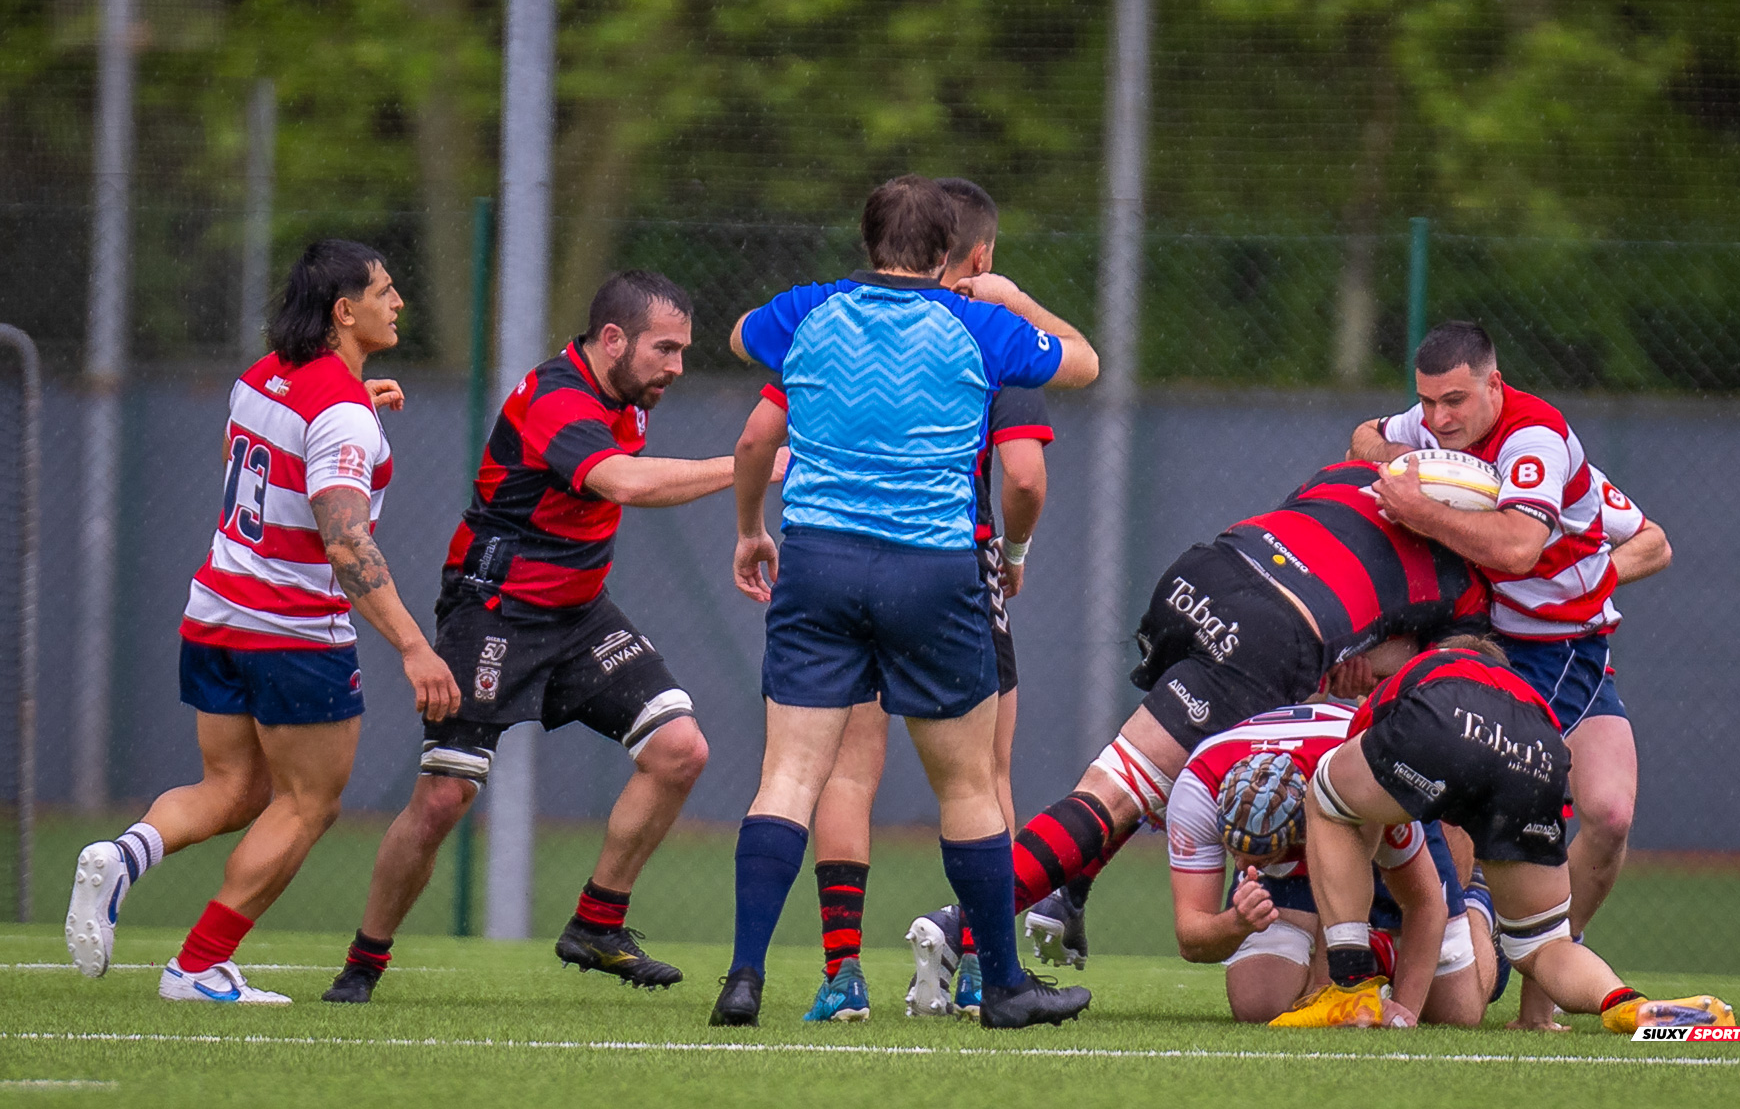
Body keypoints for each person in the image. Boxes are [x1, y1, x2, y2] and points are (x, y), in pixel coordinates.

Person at [322, 270, 770, 1003]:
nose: (677, 367)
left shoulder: (627, 391)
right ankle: (362, 964)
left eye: (684, 350)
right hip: (493, 611)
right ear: (613, 338)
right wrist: (751, 465)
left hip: (578, 611)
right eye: (665, 348)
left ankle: (598, 922)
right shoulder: (558, 396)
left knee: (680, 749)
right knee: (443, 799)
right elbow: (623, 482)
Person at [718, 174, 1098, 1029]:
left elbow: (744, 351)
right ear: (946, 254)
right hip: (933, 568)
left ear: (868, 243)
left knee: (787, 775)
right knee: (966, 783)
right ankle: (1001, 985)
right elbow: (1084, 359)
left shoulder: (808, 311)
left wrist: (750, 526)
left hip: (816, 561)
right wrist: (1007, 295)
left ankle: (743, 978)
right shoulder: (982, 323)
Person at [64, 240, 459, 1004]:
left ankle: (124, 854)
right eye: (385, 290)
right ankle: (197, 965)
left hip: (214, 612)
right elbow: (347, 541)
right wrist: (415, 647)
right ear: (345, 312)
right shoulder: (340, 414)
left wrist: (346, 409)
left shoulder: (265, 375)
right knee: (308, 802)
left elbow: (240, 457)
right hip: (291, 632)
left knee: (235, 785)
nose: (398, 301)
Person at [992, 459, 1489, 974]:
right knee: (1127, 788)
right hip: (1270, 631)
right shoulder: (1464, 583)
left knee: (1142, 772)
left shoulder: (1354, 472)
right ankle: (964, 927)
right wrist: (1360, 658)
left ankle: (1069, 892)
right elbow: (1426, 675)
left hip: (1201, 575)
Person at [1349, 322, 1653, 1027]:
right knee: (1479, 794)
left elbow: (1519, 548)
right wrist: (1406, 459)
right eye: (1426, 403)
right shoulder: (1437, 427)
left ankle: (1533, 989)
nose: (1437, 418)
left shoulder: (1535, 438)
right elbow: (1364, 437)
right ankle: (1451, 958)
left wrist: (1419, 502)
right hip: (1487, 643)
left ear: (1495, 382)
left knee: (1607, 817)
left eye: (1454, 400)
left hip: (1567, 650)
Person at [1285, 636, 1734, 1033]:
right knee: (1544, 943)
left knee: (1328, 802)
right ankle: (1628, 1005)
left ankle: (1348, 990)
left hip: (1441, 722)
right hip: (1538, 757)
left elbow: (1364, 796)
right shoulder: (1525, 697)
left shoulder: (1426, 669)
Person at [1166, 702, 1488, 1026]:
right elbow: (1190, 940)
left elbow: (1425, 904)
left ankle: (1478, 902)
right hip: (1322, 791)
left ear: (1300, 832)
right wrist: (1237, 922)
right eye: (1234, 850)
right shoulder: (1198, 790)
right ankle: (1372, 953)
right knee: (1258, 1003)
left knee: (1456, 1013)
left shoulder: (1365, 785)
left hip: (1355, 790)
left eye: (1261, 856)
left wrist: (1403, 1013)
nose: (1242, 864)